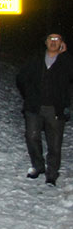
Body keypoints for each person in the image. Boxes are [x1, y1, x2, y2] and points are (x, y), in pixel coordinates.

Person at [16, 32, 73, 185]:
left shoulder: (65, 61)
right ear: (45, 42)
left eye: (57, 39)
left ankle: (52, 173)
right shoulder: (36, 59)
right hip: (34, 107)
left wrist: (65, 55)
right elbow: (21, 77)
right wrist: (29, 94)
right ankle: (38, 166)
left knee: (54, 143)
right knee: (32, 137)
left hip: (55, 108)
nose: (53, 42)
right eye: (50, 39)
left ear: (62, 43)